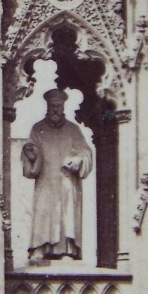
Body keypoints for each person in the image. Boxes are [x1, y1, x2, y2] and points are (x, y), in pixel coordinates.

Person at [21, 88, 93, 262]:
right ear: (47, 106)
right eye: (52, 106)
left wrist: (78, 160)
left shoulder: (73, 130)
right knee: (43, 211)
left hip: (66, 182)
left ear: (63, 107)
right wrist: (31, 154)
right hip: (46, 181)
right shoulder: (38, 129)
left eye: (58, 106)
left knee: (67, 215)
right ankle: (40, 248)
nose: (55, 110)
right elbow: (30, 152)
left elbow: (86, 152)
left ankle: (67, 250)